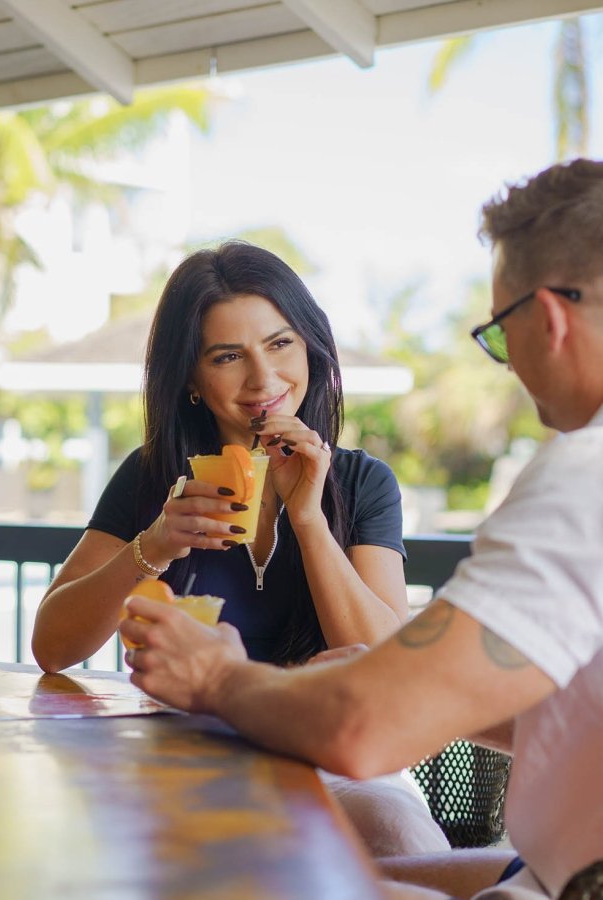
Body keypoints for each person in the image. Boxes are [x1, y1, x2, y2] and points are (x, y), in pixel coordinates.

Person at [118, 160, 603, 899]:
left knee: (239, 882)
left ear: (550, 319)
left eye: (500, 334)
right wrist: (427, 691)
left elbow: (363, 732)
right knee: (360, 864)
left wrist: (216, 676)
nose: (506, 365)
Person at [31, 240, 450, 857]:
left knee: (398, 837)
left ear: (310, 346)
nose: (263, 379)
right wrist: (155, 543)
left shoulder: (362, 482)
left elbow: (385, 664)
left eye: (280, 343)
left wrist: (310, 520)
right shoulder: (153, 479)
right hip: (188, 752)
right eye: (228, 356)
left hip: (328, 747)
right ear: (193, 379)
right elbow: (52, 647)